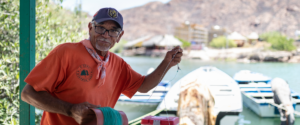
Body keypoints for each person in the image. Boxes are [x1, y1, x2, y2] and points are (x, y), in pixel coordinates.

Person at [21, 7, 183, 125]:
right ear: (90, 28)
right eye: (100, 28)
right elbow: (28, 94)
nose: (106, 35)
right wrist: (70, 110)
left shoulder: (119, 65)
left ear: (120, 37)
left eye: (113, 31)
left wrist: (167, 63)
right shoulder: (65, 53)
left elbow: (143, 86)